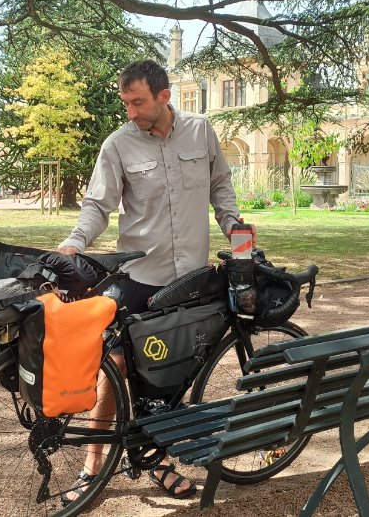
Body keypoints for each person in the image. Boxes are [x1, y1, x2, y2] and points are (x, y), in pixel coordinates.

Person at [57, 59, 241, 503]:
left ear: (164, 95)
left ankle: (156, 458)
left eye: (138, 102)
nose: (130, 112)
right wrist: (74, 242)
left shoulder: (201, 132)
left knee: (172, 375)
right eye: (125, 103)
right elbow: (96, 205)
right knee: (115, 369)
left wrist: (234, 226)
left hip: (191, 279)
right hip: (139, 279)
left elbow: (221, 185)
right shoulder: (117, 145)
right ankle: (92, 469)